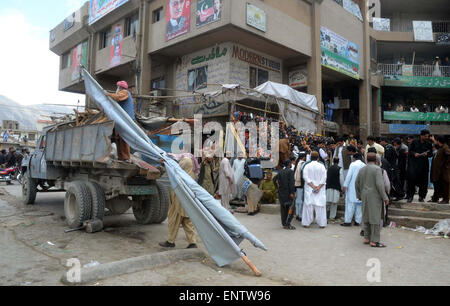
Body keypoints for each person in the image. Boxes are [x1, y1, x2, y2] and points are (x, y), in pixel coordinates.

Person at [159, 158, 197, 249]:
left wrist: (165, 165)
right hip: (187, 205)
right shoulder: (190, 175)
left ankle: (170, 241)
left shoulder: (181, 176)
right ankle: (192, 243)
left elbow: (173, 172)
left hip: (178, 203)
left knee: (173, 221)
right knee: (188, 223)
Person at [355, 153, 390, 248]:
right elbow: (380, 184)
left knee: (366, 217)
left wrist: (359, 195)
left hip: (364, 196)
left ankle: (366, 237)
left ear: (366, 159)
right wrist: (385, 197)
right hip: (374, 197)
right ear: (376, 160)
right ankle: (374, 241)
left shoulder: (362, 169)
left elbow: (356, 183)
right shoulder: (377, 169)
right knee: (375, 218)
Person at [106, 81, 136, 162]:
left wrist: (107, 94)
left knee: (124, 138)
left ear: (120, 87)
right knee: (118, 138)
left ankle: (126, 158)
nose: (117, 89)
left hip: (126, 120)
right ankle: (122, 157)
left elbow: (118, 97)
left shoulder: (125, 92)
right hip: (122, 120)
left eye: (118, 87)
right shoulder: (123, 93)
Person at [302, 152, 327, 229]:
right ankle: (322, 224)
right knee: (320, 207)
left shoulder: (307, 166)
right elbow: (324, 178)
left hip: (309, 188)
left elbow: (305, 177)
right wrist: (318, 187)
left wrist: (313, 186)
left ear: (310, 157)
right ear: (318, 158)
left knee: (308, 207)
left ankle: (307, 223)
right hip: (320, 189)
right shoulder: (322, 166)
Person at [406, 130, 433, 203]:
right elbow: (410, 151)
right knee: (411, 181)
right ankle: (410, 196)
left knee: (423, 182)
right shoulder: (414, 142)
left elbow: (431, 154)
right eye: (425, 136)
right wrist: (414, 154)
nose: (426, 137)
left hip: (424, 165)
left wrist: (426, 154)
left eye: (427, 136)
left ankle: (421, 197)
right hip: (414, 165)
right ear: (421, 135)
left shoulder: (428, 143)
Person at [341, 153, 366, 227]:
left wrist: (345, 185)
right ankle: (357, 221)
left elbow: (349, 176)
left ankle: (348, 221)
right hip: (361, 188)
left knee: (350, 205)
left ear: (354, 158)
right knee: (359, 206)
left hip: (352, 187)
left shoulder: (353, 164)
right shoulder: (364, 165)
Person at [273, 159, 296, 230]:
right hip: (288, 193)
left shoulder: (280, 172)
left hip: (281, 193)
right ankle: (288, 224)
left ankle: (284, 223)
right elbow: (291, 183)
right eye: (291, 163)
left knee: (283, 209)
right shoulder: (291, 172)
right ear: (289, 164)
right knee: (291, 209)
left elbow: (274, 179)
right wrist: (292, 193)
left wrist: (277, 188)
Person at [429, 136, 450, 204]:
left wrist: (446, 166)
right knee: (437, 185)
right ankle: (435, 198)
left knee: (445, 185)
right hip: (438, 171)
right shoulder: (441, 147)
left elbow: (448, 155)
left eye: (437, 141)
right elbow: (437, 146)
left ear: (439, 141)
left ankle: (445, 199)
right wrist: (433, 140)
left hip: (444, 171)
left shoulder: (445, 147)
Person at [293, 152, 308, 221]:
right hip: (300, 184)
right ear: (304, 157)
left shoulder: (297, 163)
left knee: (298, 200)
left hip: (296, 183)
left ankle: (297, 214)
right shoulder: (302, 164)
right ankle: (300, 215)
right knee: (300, 200)